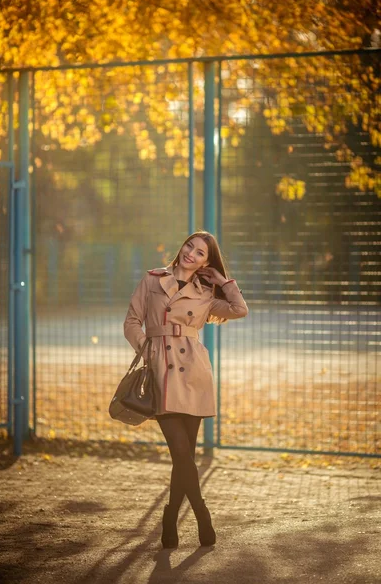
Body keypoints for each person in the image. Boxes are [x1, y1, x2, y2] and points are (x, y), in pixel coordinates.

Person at [123, 230, 249, 548]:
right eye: (189, 246)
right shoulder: (153, 279)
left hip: (194, 376)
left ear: (207, 262)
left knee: (185, 458)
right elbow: (131, 321)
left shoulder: (205, 291)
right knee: (181, 454)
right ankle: (202, 516)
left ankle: (169, 517)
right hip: (162, 373)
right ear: (182, 248)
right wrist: (147, 350)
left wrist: (221, 279)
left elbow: (239, 310)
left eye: (201, 253)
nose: (191, 253)